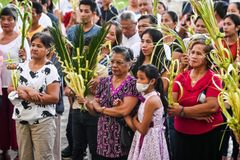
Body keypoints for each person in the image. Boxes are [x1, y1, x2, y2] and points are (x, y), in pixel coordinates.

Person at [78, 46, 141, 160]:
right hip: (103, 136)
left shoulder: (132, 84)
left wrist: (101, 109)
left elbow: (123, 111)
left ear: (130, 64)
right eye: (112, 62)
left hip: (122, 136)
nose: (114, 65)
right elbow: (94, 111)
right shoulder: (104, 81)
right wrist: (87, 103)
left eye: (119, 62)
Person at [168, 34, 224, 160]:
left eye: (199, 53)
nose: (193, 56)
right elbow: (171, 105)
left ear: (207, 58)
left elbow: (212, 106)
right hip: (181, 134)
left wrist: (183, 111)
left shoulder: (214, 78)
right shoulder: (181, 76)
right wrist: (195, 114)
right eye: (192, 52)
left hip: (207, 136)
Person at [8, 32, 60, 160]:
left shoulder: (50, 69)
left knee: (43, 157)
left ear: (48, 50)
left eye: (39, 46)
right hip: (22, 119)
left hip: (42, 121)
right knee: (24, 156)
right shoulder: (21, 66)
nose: (34, 48)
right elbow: (11, 88)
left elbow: (54, 97)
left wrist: (26, 96)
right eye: (33, 45)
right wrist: (27, 90)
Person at [0, 6, 30, 159]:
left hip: (14, 85)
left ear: (16, 21)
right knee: (2, 119)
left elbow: (29, 62)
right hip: (0, 86)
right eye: (3, 19)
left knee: (16, 119)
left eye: (9, 19)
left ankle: (19, 150)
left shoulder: (21, 39)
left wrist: (23, 58)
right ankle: (3, 148)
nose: (6, 22)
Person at [126, 64, 169, 160]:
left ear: (152, 81)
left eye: (142, 78)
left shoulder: (152, 100)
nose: (138, 81)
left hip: (150, 140)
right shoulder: (145, 95)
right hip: (145, 137)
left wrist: (133, 119)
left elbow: (143, 129)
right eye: (137, 78)